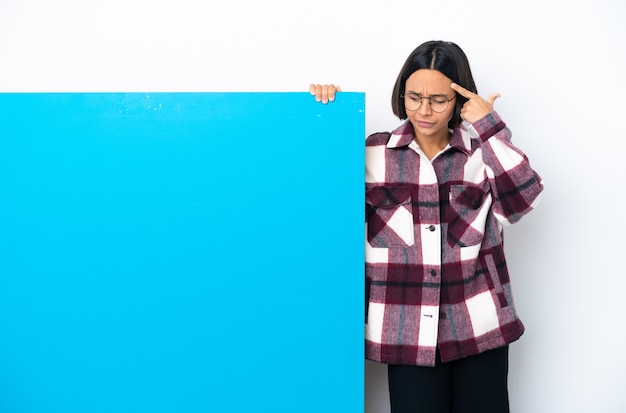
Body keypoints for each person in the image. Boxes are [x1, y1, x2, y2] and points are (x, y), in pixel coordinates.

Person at [310, 40, 543, 413]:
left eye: (438, 99)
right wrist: (325, 114)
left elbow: (521, 201)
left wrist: (488, 124)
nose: (424, 109)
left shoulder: (481, 153)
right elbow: (316, 201)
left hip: (479, 326)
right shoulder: (371, 155)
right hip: (406, 331)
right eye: (414, 96)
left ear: (459, 99)